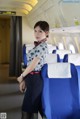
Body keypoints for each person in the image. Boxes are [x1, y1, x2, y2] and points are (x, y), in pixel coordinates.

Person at [17, 21, 49, 119]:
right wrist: (24, 79)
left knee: (29, 107)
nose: (37, 34)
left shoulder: (43, 46)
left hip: (36, 79)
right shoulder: (38, 45)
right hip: (31, 78)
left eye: (40, 31)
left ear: (46, 33)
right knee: (30, 106)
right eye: (35, 31)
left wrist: (21, 76)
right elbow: (30, 67)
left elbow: (32, 65)